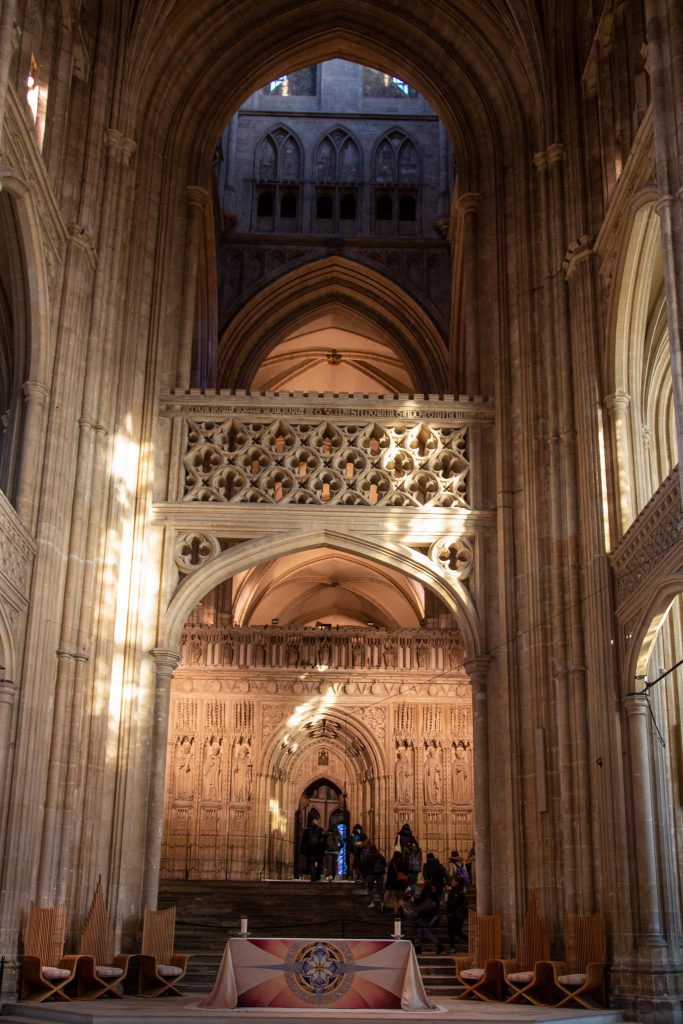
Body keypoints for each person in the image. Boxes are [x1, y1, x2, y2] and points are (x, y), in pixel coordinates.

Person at [414, 880, 443, 954]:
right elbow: (436, 903)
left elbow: (417, 902)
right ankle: (419, 947)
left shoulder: (424, 893)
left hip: (423, 914)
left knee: (426, 931)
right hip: (430, 915)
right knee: (421, 931)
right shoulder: (433, 894)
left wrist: (414, 899)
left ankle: (439, 945)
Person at [301, 810, 326, 881]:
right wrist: (324, 851)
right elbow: (324, 841)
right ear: (317, 823)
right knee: (319, 865)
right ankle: (317, 877)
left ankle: (313, 877)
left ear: (311, 823)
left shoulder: (307, 831)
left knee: (311, 864)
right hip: (319, 851)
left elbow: (304, 841)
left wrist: (302, 851)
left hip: (310, 850)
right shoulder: (321, 830)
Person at [384, 849, 410, 916]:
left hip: (393, 884)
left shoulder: (392, 863)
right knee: (401, 898)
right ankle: (401, 907)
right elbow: (407, 874)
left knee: (395, 899)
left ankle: (396, 913)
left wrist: (387, 885)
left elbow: (389, 875)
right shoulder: (405, 862)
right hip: (402, 883)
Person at [445, 879, 467, 951]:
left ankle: (453, 947)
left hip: (454, 914)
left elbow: (454, 903)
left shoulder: (456, 891)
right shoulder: (458, 891)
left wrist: (447, 900)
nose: (451, 882)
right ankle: (453, 947)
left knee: (454, 931)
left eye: (453, 881)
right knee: (456, 931)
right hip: (456, 914)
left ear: (457, 882)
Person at [362, 843, 386, 909]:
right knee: (380, 888)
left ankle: (372, 902)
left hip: (370, 874)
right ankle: (382, 902)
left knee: (370, 888)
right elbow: (385, 863)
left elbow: (365, 867)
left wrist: (364, 876)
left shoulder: (367, 856)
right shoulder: (379, 856)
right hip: (379, 874)